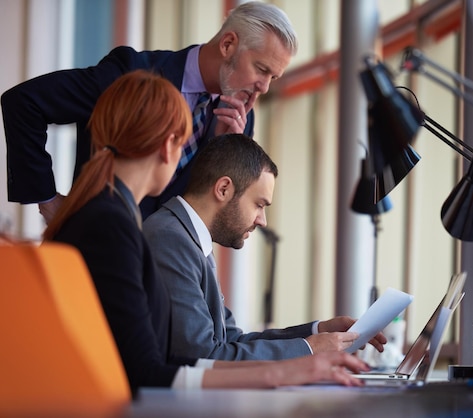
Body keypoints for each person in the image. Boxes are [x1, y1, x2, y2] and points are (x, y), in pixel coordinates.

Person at [43, 70, 368, 394]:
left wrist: (311, 342)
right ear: (171, 145)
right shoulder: (117, 226)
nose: (263, 220)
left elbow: (216, 343)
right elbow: (148, 370)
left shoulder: (109, 216)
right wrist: (282, 372)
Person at [2, 1, 297, 222]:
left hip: (160, 285)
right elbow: (25, 103)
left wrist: (223, 151)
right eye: (261, 69)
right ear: (228, 44)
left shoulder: (242, 121)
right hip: (90, 258)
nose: (265, 88)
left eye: (274, 77)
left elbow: (209, 216)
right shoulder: (132, 73)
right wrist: (47, 199)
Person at [143, 134, 387, 361]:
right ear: (223, 189)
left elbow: (232, 341)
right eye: (259, 204)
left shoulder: (190, 238)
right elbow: (204, 355)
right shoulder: (171, 239)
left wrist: (319, 331)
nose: (263, 220)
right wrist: (311, 349)